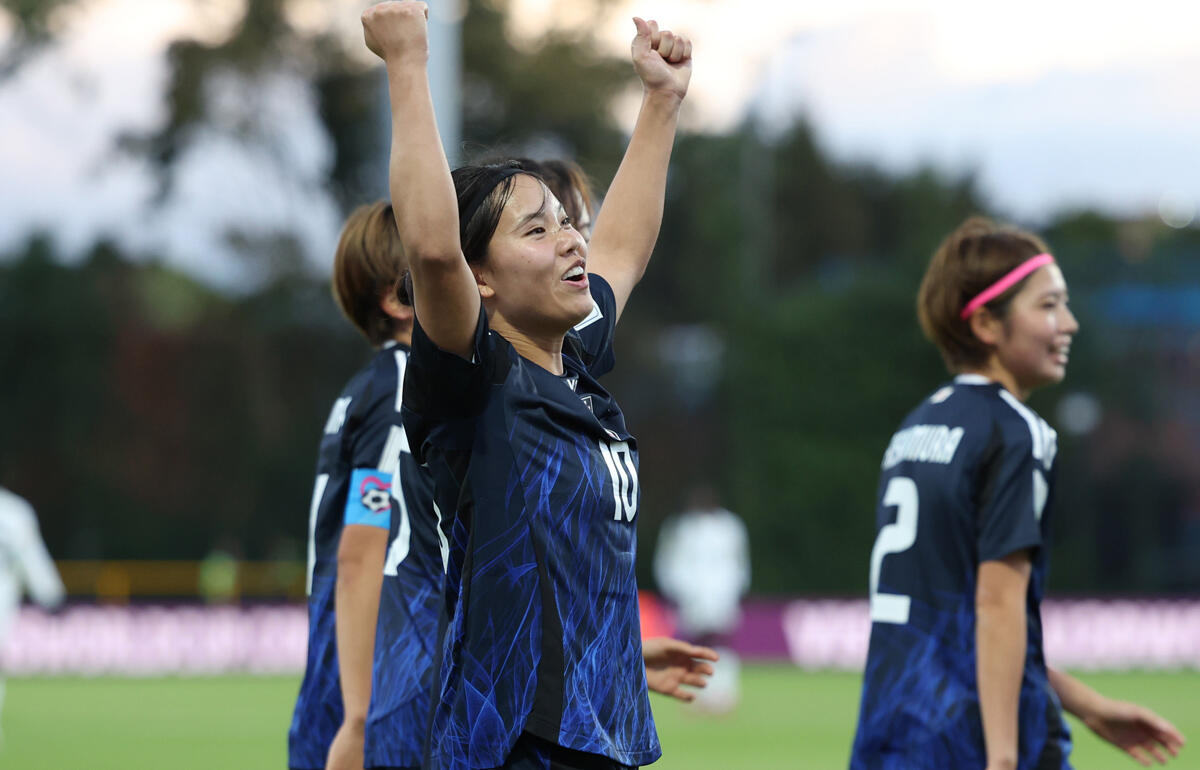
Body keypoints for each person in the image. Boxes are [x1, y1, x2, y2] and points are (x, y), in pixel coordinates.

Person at [362, 2, 698, 768]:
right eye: (536, 230)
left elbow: (622, 249)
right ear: (482, 278)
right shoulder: (476, 381)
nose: (571, 239)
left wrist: (660, 102)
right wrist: (407, 65)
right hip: (516, 746)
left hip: (602, 740)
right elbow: (432, 252)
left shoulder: (571, 364)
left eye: (564, 222)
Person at [850, 218, 1186, 769]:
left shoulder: (914, 430)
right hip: (975, 735)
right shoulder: (1015, 432)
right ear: (986, 322)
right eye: (1050, 305)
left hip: (892, 727)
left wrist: (1089, 706)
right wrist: (1004, 758)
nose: (1069, 323)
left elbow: (952, 623)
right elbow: (997, 604)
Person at [287, 201, 442, 770]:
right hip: (374, 685)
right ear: (398, 300)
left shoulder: (366, 387)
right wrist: (359, 717)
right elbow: (363, 548)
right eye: (438, 264)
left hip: (337, 668)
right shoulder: (401, 387)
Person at [653, 485, 749, 712]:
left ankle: (724, 693)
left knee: (721, 642)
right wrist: (679, 590)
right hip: (693, 595)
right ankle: (701, 695)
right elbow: (669, 563)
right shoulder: (681, 528)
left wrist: (734, 588)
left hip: (722, 593)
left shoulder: (730, 527)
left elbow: (738, 563)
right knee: (697, 644)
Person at [0, 487, 66, 738]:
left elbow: (31, 556)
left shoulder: (15, 511)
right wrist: (50, 594)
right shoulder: (15, 511)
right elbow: (33, 558)